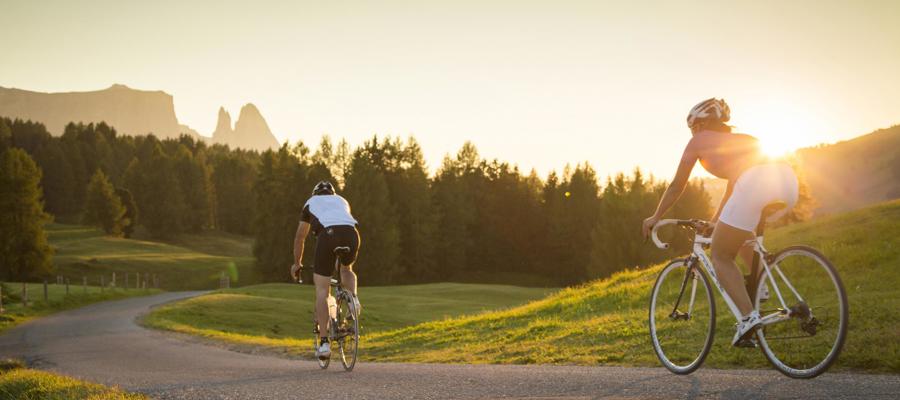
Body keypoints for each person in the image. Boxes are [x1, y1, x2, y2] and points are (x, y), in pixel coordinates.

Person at [641, 98, 799, 346]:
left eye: (693, 127)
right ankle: (761, 288)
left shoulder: (699, 141)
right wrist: (715, 221)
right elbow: (733, 191)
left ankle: (748, 318)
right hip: (787, 181)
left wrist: (655, 216)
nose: (692, 132)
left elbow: (676, 186)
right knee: (741, 234)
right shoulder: (742, 140)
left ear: (701, 124)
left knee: (720, 255)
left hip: (755, 182)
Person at [291, 180, 361, 359]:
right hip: (352, 234)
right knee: (346, 269)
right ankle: (353, 300)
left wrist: (297, 263)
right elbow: (342, 221)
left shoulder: (310, 202)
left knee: (322, 290)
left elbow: (300, 237)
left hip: (328, 235)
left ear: (315, 193)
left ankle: (324, 343)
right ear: (332, 193)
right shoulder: (342, 200)